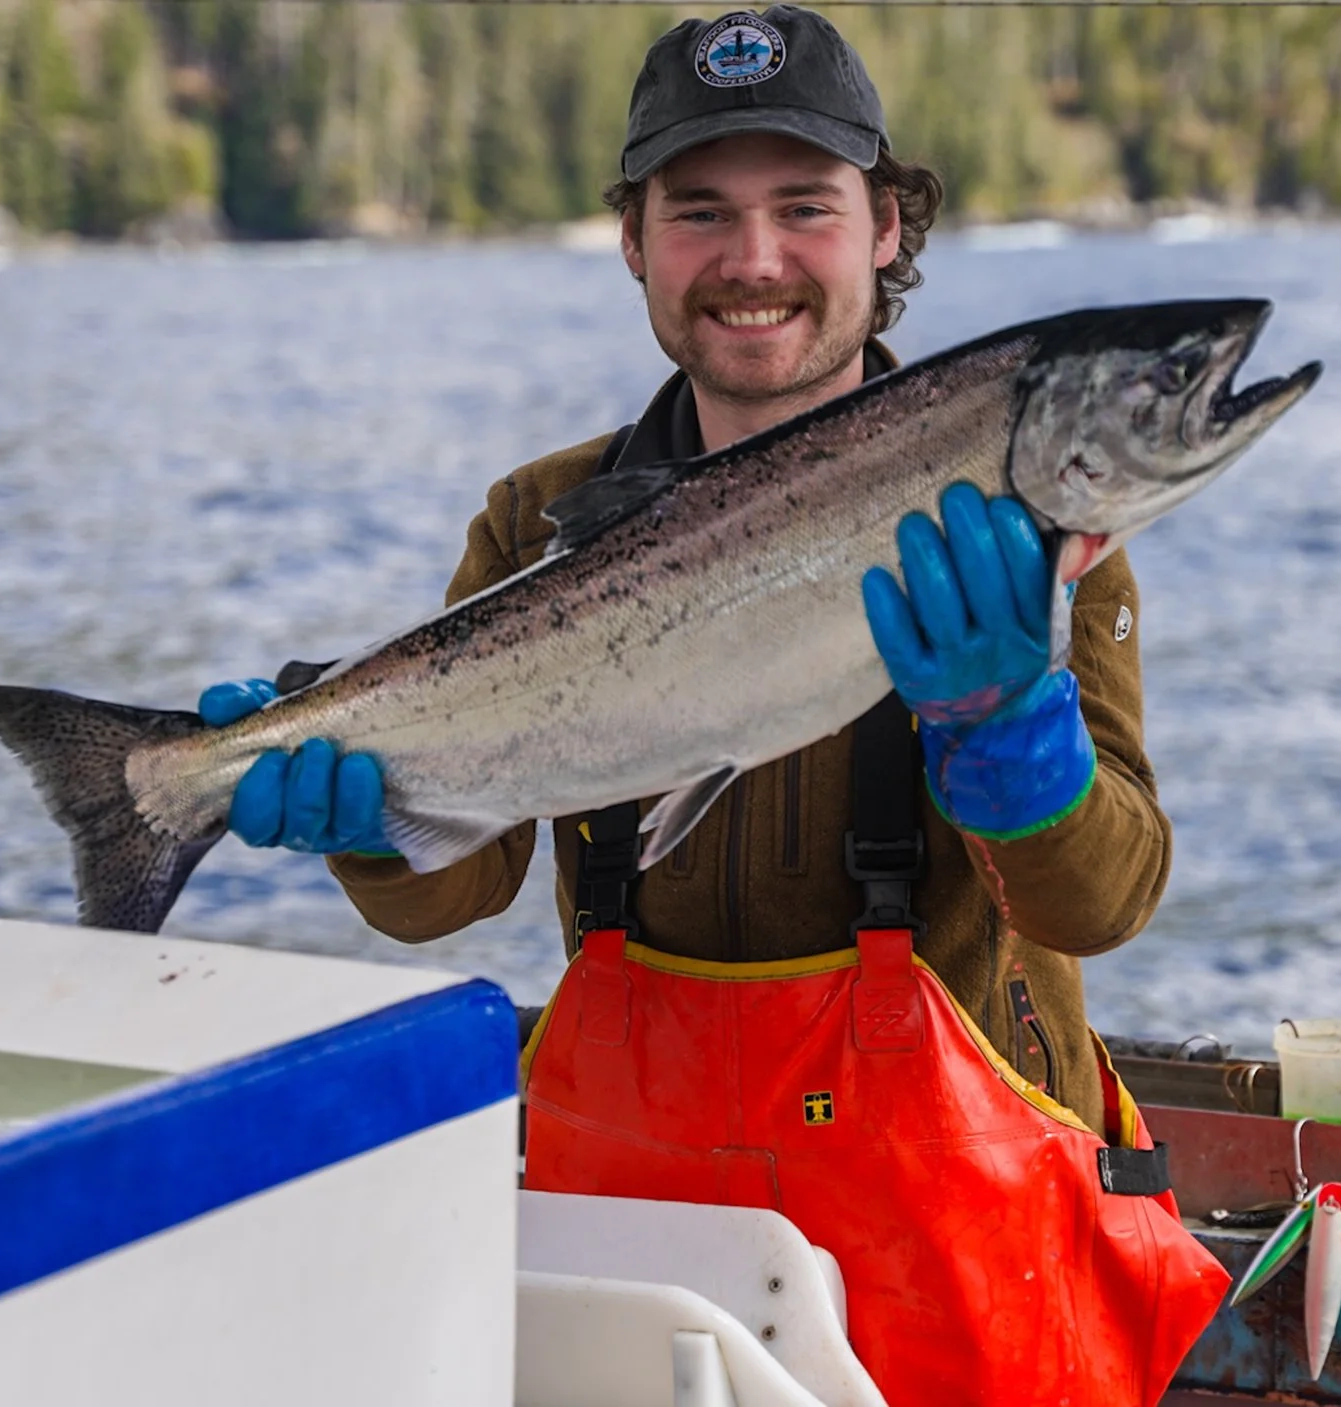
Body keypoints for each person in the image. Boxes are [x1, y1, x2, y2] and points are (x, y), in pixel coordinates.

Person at [200, 8, 1229, 1402]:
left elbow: (1100, 903)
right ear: (636, 240)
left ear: (885, 228)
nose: (753, 261)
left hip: (959, 1267)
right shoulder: (540, 517)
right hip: (640, 1268)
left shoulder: (1028, 532)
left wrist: (1011, 733)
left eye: (804, 206)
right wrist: (366, 823)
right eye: (701, 212)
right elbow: (459, 880)